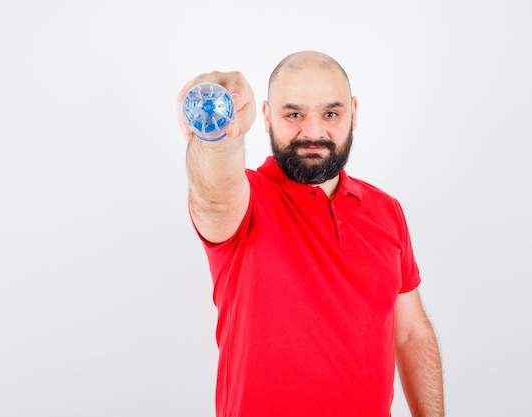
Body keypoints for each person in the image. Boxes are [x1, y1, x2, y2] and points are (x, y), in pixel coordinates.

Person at [177, 50, 444, 417]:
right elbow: (214, 194)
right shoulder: (246, 201)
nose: (314, 132)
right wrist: (220, 131)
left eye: (331, 114)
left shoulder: (387, 210)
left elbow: (411, 333)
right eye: (294, 114)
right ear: (268, 117)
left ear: (353, 113)